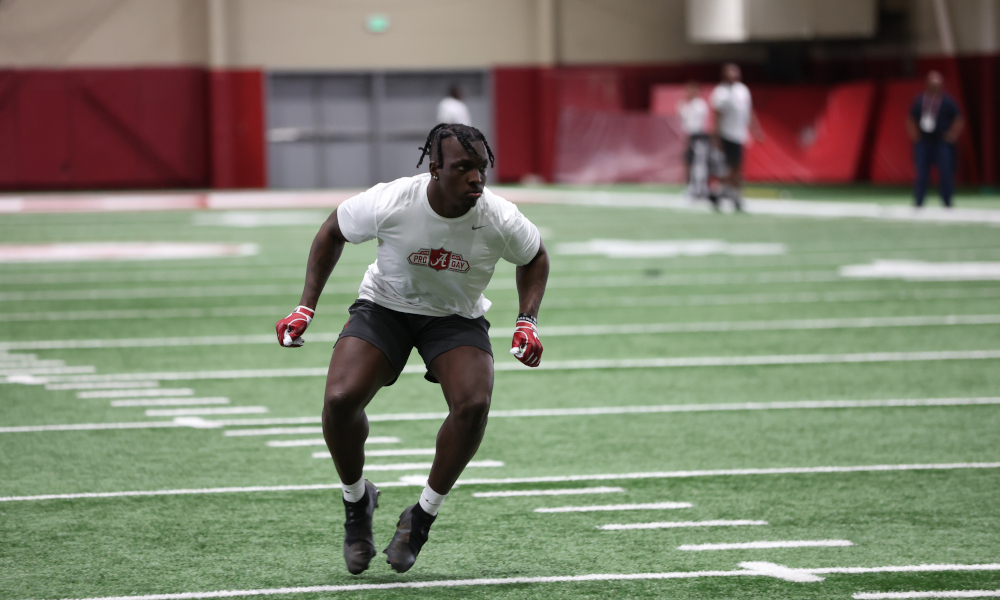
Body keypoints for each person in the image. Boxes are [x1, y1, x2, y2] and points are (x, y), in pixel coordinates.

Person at [275, 123, 548, 575]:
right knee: (340, 400)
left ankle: (420, 517)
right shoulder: (393, 199)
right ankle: (357, 503)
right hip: (386, 306)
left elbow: (535, 256)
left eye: (482, 168)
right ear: (435, 168)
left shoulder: (499, 215)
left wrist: (527, 320)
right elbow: (332, 231)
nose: (477, 179)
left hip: (455, 316)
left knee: (474, 403)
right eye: (464, 168)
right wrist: (305, 307)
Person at [709, 63, 763, 212]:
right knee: (732, 168)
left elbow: (749, 111)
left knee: (736, 168)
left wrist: (755, 129)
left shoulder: (743, 90)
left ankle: (720, 193)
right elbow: (717, 116)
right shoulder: (720, 92)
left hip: (740, 134)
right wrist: (716, 136)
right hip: (727, 135)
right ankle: (731, 195)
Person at [906, 70, 964, 208]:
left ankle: (947, 202)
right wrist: (914, 135)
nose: (935, 86)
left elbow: (959, 118)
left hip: (941, 142)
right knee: (922, 173)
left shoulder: (947, 101)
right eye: (933, 83)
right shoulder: (920, 100)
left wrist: (952, 135)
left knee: (946, 172)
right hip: (924, 142)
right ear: (927, 84)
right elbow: (910, 118)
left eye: (937, 84)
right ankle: (919, 202)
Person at [678, 81, 710, 199]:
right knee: (688, 162)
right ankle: (689, 186)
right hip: (688, 136)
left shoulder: (700, 105)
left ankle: (701, 187)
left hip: (698, 136)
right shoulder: (684, 105)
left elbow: (699, 124)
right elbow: (684, 123)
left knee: (699, 164)